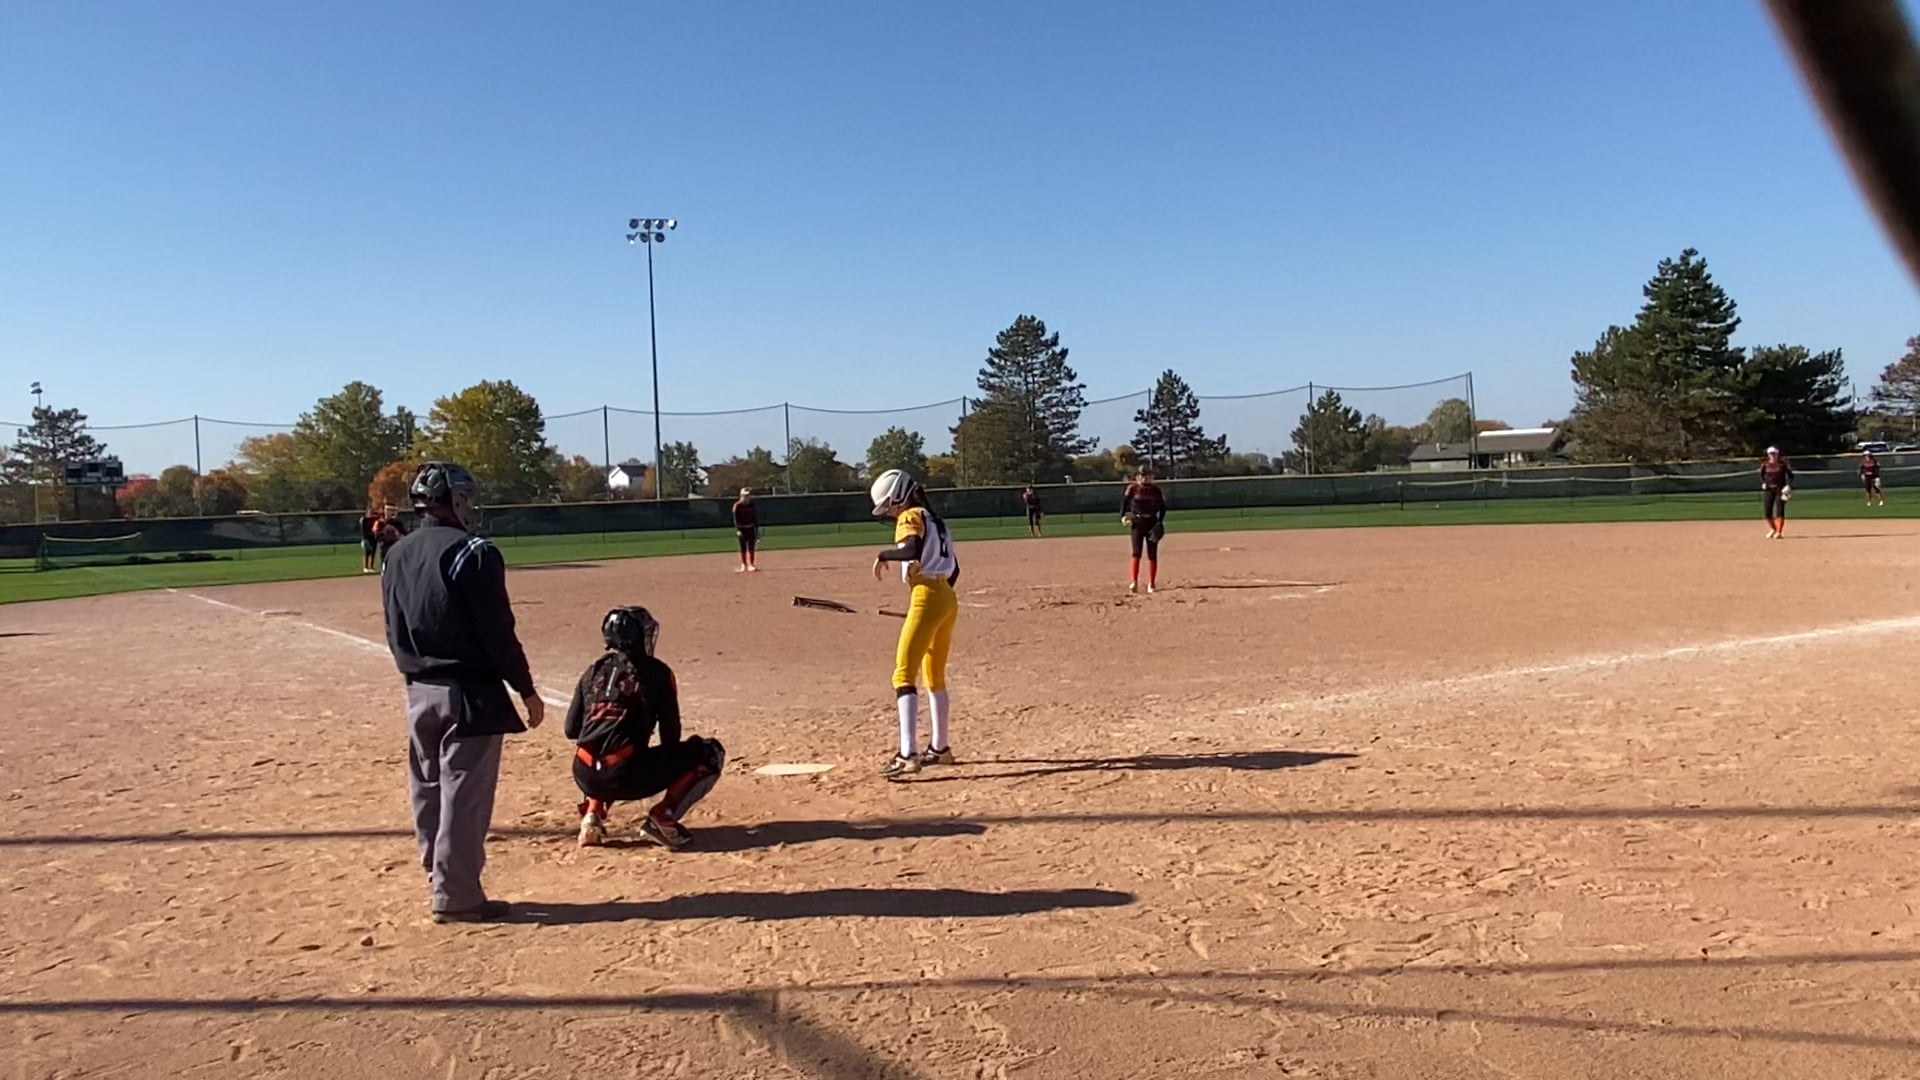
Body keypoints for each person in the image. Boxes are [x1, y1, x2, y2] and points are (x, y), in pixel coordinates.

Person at [382, 461, 545, 924]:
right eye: (465, 497)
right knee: (464, 794)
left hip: (418, 689)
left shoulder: (396, 552)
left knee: (428, 787)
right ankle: (456, 895)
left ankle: (438, 876)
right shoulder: (474, 552)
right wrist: (525, 688)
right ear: (452, 499)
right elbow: (497, 631)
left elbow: (393, 625)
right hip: (468, 693)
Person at [567, 606, 726, 849]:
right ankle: (663, 816)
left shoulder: (594, 670)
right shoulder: (657, 673)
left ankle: (592, 814)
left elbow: (571, 729)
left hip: (584, 773)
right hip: (624, 776)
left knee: (601, 747)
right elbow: (670, 737)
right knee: (709, 752)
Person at [868, 469, 959, 780]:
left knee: (903, 674)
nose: (889, 513)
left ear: (897, 496)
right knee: (934, 676)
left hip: (926, 597)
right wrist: (936, 602)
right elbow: (955, 570)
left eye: (888, 506)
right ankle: (940, 748)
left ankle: (908, 754)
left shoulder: (910, 516)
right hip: (946, 597)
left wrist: (883, 555)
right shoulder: (937, 521)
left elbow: (911, 550)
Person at [1121, 469, 1168, 593]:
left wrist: (1159, 522)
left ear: (1151, 477)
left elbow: (1162, 508)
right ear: (1137, 477)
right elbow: (1125, 503)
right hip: (1137, 523)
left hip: (1151, 522)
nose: (1144, 478)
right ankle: (1134, 582)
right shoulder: (1132, 489)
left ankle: (1151, 583)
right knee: (1136, 553)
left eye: (1147, 476)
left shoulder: (1156, 490)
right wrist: (1124, 516)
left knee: (1152, 554)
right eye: (1142, 475)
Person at [1761, 446, 1794, 539]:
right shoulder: (1765, 465)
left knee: (1779, 510)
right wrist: (1764, 483)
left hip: (1780, 490)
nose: (1773, 455)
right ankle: (1773, 529)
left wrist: (1788, 485)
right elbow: (1762, 475)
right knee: (1767, 512)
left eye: (1774, 454)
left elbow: (1791, 476)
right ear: (1768, 455)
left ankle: (1779, 532)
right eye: (1771, 454)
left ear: (1777, 454)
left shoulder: (1782, 465)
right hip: (1769, 490)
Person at [732, 487, 760, 572]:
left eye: (748, 495)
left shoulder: (752, 505)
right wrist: (738, 530)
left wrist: (757, 530)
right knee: (743, 547)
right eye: (745, 496)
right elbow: (735, 519)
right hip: (742, 529)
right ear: (741, 496)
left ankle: (751, 564)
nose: (747, 497)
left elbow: (755, 518)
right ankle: (743, 564)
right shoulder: (737, 505)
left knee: (751, 547)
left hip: (750, 528)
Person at [359, 505, 383, 574]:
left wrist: (380, 510)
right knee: (367, 552)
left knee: (373, 552)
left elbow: (380, 516)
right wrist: (363, 539)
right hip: (366, 538)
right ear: (367, 512)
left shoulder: (374, 519)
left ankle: (371, 567)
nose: (371, 512)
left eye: (371, 511)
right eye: (369, 511)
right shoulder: (364, 519)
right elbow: (362, 529)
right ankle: (366, 567)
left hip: (373, 538)